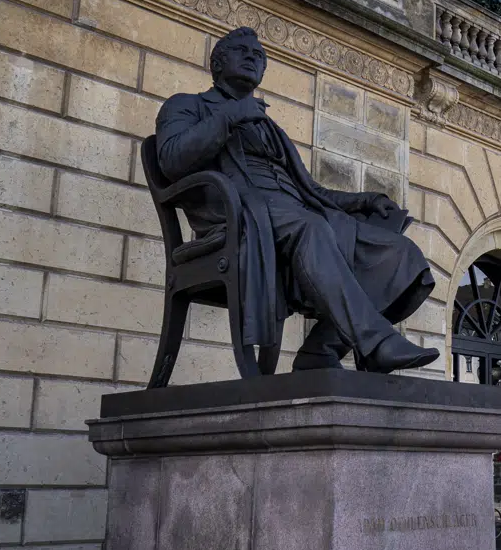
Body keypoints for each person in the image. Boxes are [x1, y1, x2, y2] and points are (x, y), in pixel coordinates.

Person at [155, 27, 439, 374]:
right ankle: (377, 343)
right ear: (216, 63)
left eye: (259, 56)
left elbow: (310, 190)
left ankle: (320, 351)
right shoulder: (188, 105)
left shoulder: (269, 126)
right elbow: (170, 160)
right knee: (312, 226)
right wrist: (229, 116)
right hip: (242, 219)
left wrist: (365, 200)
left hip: (297, 214)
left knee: (400, 253)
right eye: (242, 51)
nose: (252, 57)